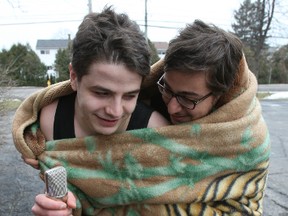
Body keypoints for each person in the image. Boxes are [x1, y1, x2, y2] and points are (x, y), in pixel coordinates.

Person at [14, 19, 270, 215]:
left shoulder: (244, 141)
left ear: (221, 96)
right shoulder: (48, 122)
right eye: (166, 89)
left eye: (188, 99)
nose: (170, 108)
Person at [13, 6, 169, 215]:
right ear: (74, 77)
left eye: (130, 96)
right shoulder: (50, 120)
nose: (115, 111)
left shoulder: (156, 129)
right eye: (102, 93)